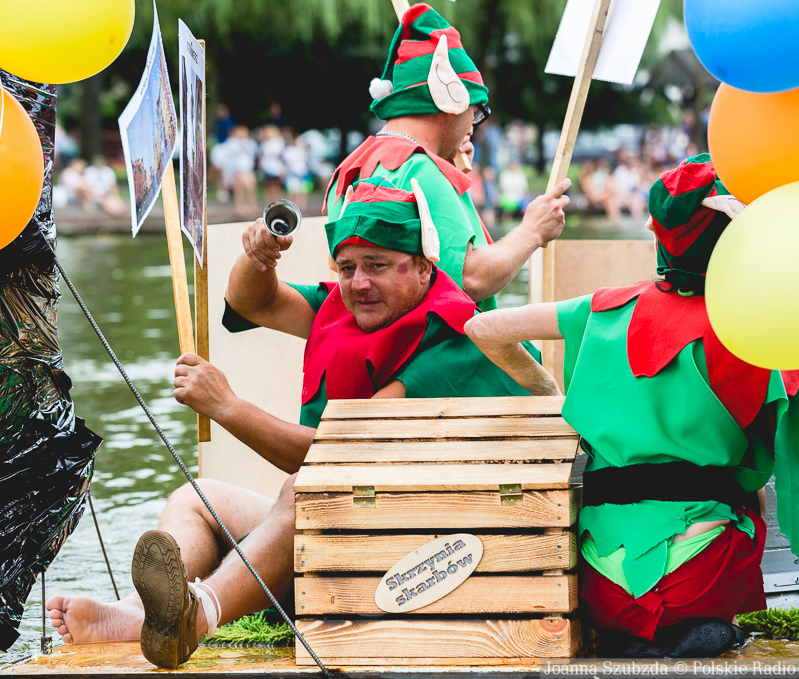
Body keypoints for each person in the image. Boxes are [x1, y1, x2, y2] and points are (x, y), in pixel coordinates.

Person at [45, 178, 557, 668]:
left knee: (304, 492)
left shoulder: (454, 339)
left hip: (429, 557)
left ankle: (198, 615)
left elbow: (331, 456)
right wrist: (258, 257)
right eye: (347, 266)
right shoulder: (350, 308)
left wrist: (228, 407)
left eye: (377, 265)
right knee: (196, 498)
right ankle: (141, 614)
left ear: (424, 268)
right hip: (362, 530)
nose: (359, 283)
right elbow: (255, 301)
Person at [464, 155, 799, 658]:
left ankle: (649, 629)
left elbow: (483, 328)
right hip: (697, 583)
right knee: (749, 482)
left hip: (602, 589)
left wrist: (553, 397)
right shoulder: (754, 335)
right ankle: (706, 624)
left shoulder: (601, 307)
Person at [318, 3, 570, 312]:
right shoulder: (420, 170)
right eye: (474, 112)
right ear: (451, 101)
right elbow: (469, 278)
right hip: (434, 344)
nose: (471, 127)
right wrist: (533, 230)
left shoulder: (348, 169)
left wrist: (447, 167)